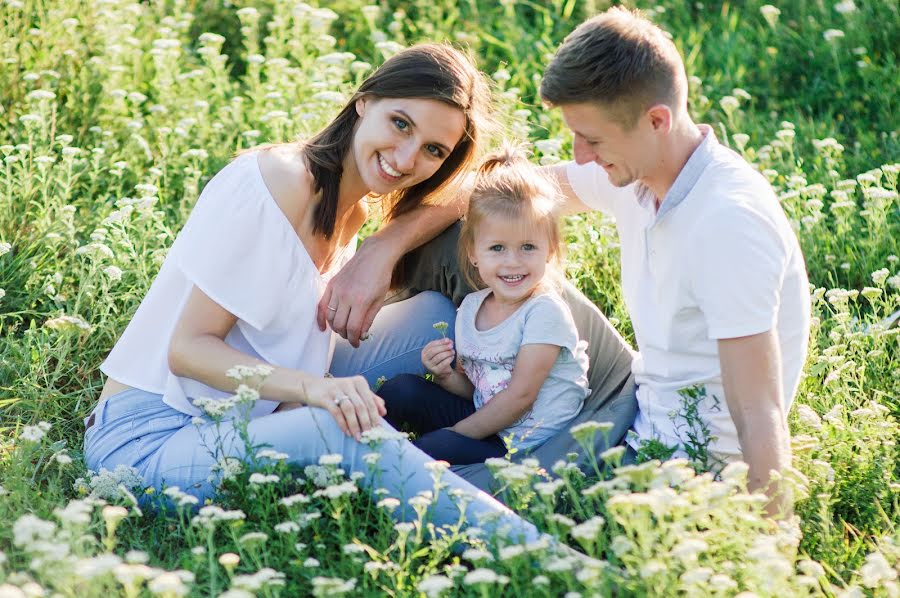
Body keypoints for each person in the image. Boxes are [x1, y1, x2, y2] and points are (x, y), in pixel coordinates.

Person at [82, 44, 546, 542]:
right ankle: (536, 553)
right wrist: (311, 392)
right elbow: (187, 350)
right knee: (334, 427)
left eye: (435, 150)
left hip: (248, 406)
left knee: (431, 315)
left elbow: (483, 185)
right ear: (364, 101)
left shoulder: (354, 212)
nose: (408, 158)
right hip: (151, 439)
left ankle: (528, 435)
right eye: (401, 124)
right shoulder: (282, 181)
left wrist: (383, 247)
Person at [538, 7, 811, 515]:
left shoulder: (727, 222)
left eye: (592, 139)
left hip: (682, 463)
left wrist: (773, 560)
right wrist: (381, 249)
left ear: (656, 121)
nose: (578, 155)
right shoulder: (640, 174)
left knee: (479, 497)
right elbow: (522, 190)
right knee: (491, 221)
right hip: (636, 396)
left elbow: (759, 410)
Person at [377, 145, 590, 465]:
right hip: (485, 416)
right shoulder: (472, 308)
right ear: (473, 253)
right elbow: (477, 388)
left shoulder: (544, 312)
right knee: (401, 390)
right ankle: (360, 446)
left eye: (528, 247)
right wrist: (446, 376)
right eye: (498, 248)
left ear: (549, 249)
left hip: (524, 437)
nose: (513, 262)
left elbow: (520, 397)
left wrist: (455, 432)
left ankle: (390, 467)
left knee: (433, 449)